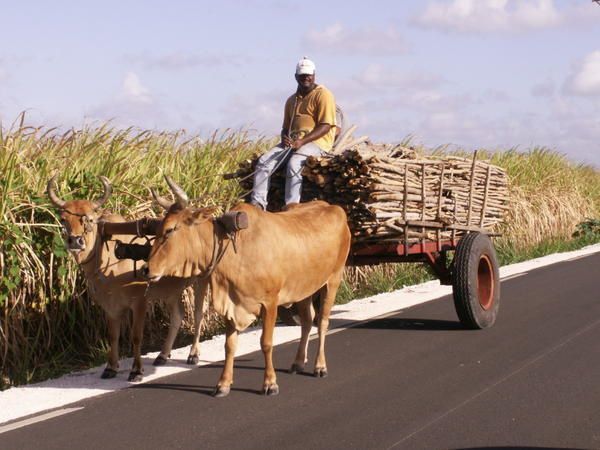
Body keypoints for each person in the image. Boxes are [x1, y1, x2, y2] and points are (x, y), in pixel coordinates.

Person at [250, 57, 337, 210]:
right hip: (293, 142)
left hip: (318, 143)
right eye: (302, 75)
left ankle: (291, 207)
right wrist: (285, 138)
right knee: (263, 162)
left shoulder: (323, 95)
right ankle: (258, 205)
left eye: (309, 75)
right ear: (296, 76)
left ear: (314, 75)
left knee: (294, 163)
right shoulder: (292, 100)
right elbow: (285, 127)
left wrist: (302, 142)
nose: (306, 78)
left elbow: (326, 125)